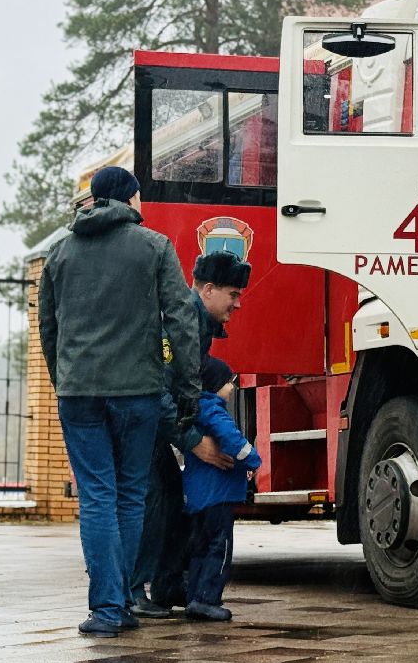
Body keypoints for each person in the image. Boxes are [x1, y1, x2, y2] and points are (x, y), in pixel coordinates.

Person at [38, 164, 200, 638]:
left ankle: (107, 608)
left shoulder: (59, 252)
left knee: (96, 498)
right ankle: (122, 600)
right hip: (139, 392)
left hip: (79, 393)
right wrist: (187, 390)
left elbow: (49, 328)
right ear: (130, 199)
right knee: (131, 494)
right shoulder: (154, 247)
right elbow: (183, 322)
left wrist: (63, 377)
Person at [146, 249, 250, 612]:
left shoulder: (198, 325)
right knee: (153, 505)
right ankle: (131, 595)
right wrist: (195, 442)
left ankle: (166, 588)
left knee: (171, 502)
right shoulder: (182, 323)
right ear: (208, 290)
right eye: (232, 294)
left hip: (156, 426)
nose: (237, 304)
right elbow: (158, 389)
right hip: (143, 424)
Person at [181, 356, 262, 621]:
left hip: (198, 497)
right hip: (219, 496)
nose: (232, 388)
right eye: (229, 382)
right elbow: (232, 439)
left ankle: (194, 596)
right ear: (216, 385)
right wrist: (253, 459)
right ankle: (208, 599)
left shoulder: (195, 412)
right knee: (220, 547)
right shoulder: (214, 410)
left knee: (199, 548)